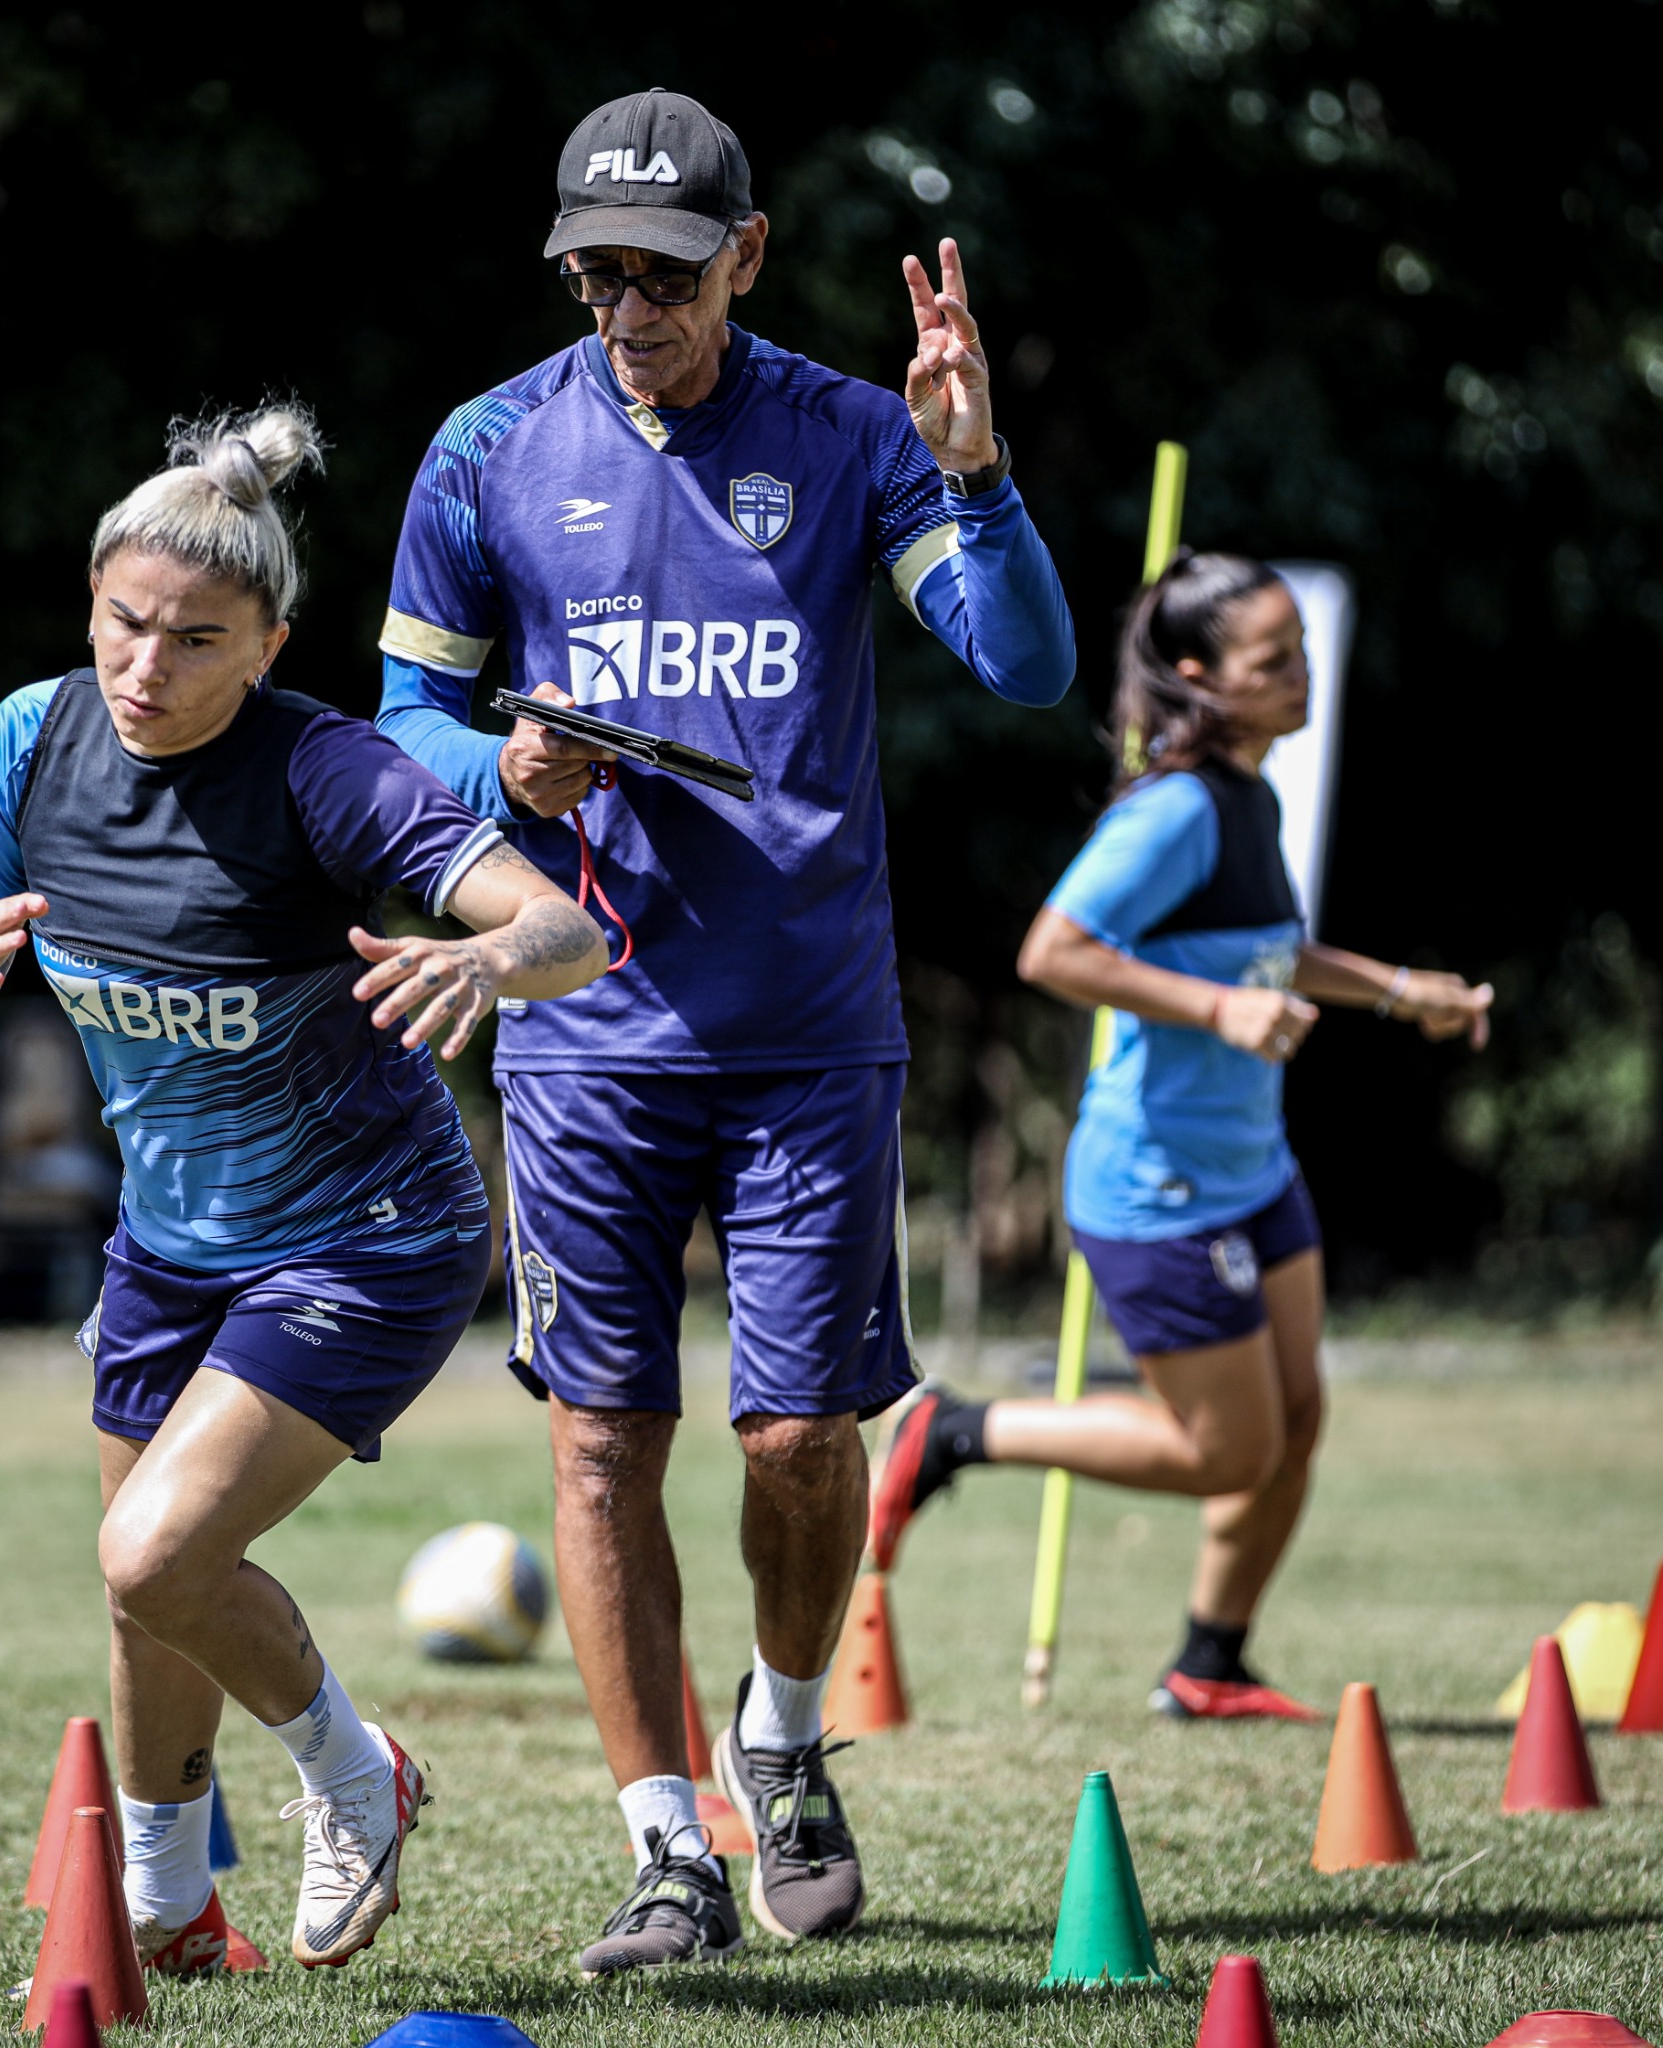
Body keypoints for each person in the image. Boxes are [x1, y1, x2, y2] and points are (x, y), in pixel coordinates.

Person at [373, 89, 1077, 1974]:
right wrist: (503, 758)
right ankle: (661, 1844)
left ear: (744, 257)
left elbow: (1024, 664)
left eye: (664, 274)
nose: (628, 309)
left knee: (791, 1435)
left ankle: (780, 1731)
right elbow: (396, 734)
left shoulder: (852, 436)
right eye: (595, 275)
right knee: (601, 1447)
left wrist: (981, 477)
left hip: (806, 1035)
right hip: (585, 1033)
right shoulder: (486, 448)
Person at [0, 404, 606, 1973]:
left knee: (154, 1554)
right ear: (91, 599)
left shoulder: (325, 770)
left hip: (372, 1233)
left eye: (195, 640)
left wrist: (484, 956)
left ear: (270, 641)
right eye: (124, 625)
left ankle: (360, 1779)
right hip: (172, 1239)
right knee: (148, 1584)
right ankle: (163, 1901)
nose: (146, 670)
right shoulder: (29, 738)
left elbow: (564, 930)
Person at [868, 549, 1493, 1719]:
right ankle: (954, 1430)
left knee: (1296, 1420)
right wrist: (1218, 1008)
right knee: (1227, 1452)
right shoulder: (1174, 810)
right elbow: (1053, 950)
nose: (1302, 675)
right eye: (1274, 660)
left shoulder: (1249, 797)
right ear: (1201, 675)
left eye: (1301, 650)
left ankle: (1209, 1664)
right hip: (1159, 1187)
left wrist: (1407, 989)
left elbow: (1266, 949)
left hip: (1253, 1167)